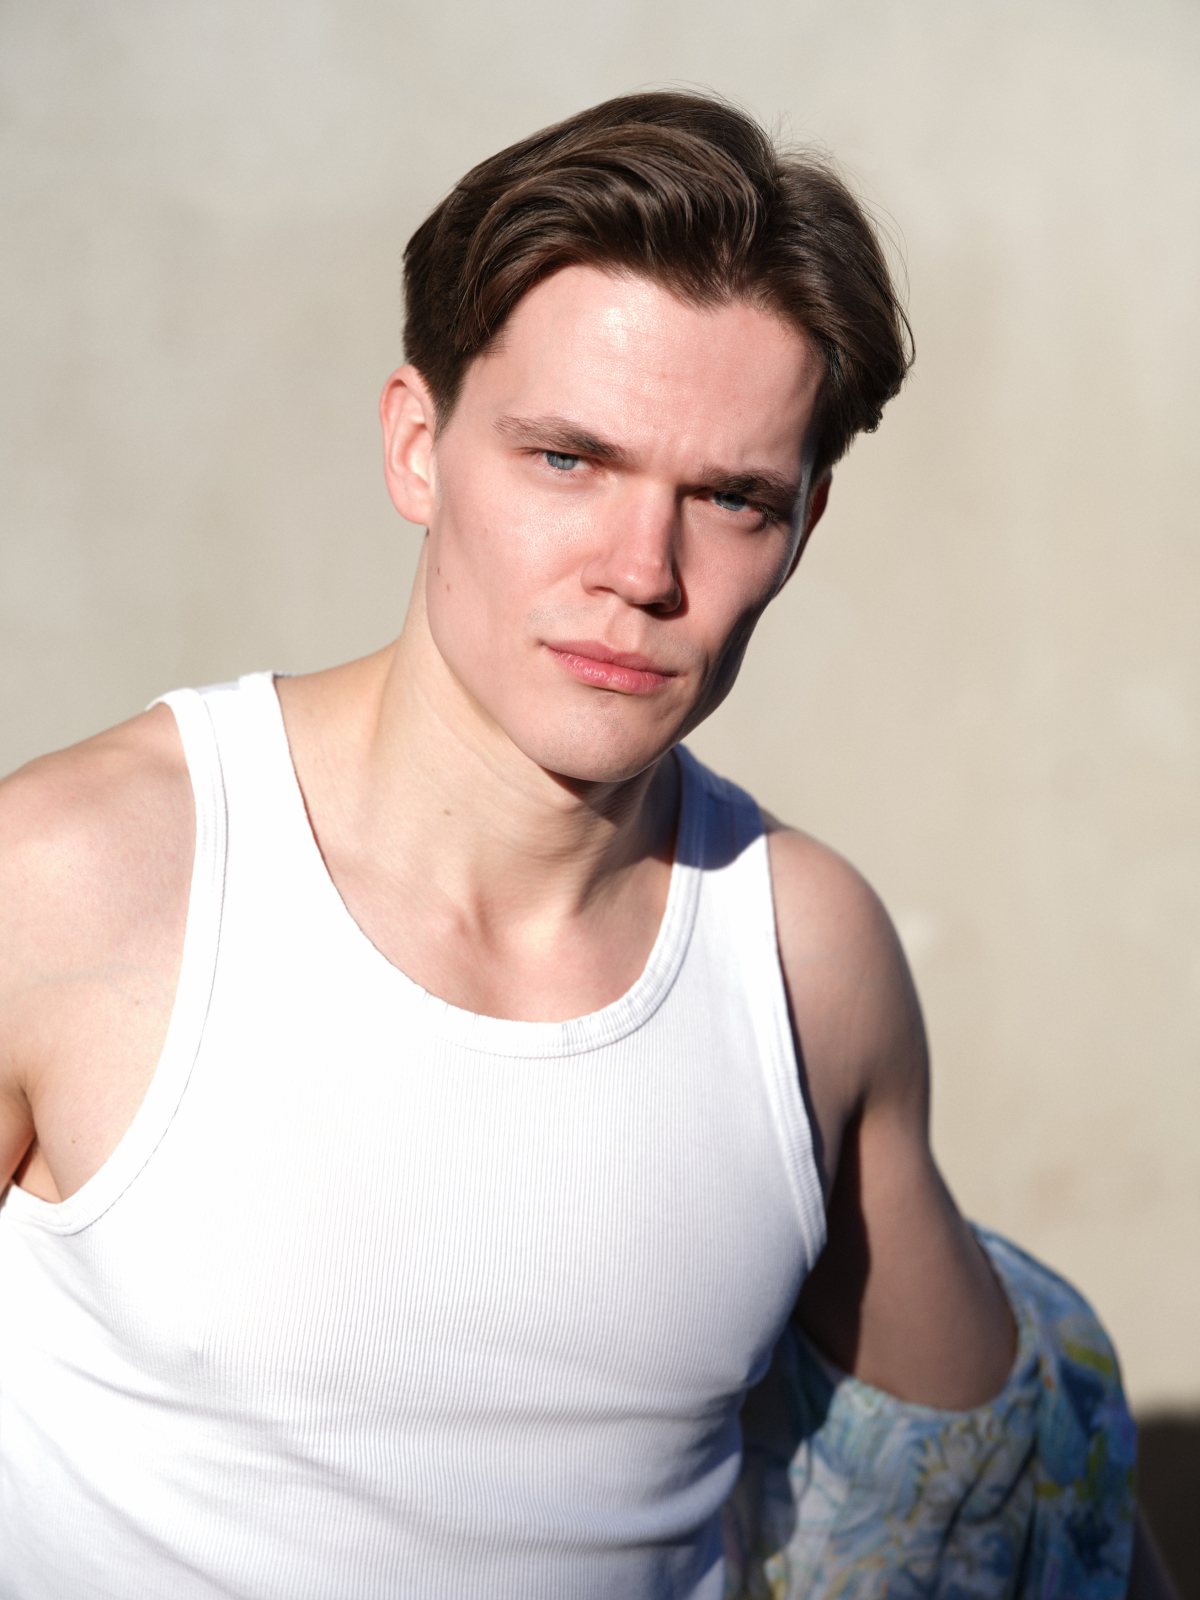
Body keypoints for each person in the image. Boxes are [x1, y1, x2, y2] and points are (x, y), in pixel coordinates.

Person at [0, 91, 1162, 1599]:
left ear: (805, 525)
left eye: (730, 498)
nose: (642, 570)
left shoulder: (802, 954)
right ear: (417, 446)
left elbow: (1009, 1509)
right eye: (568, 460)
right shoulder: (70, 880)